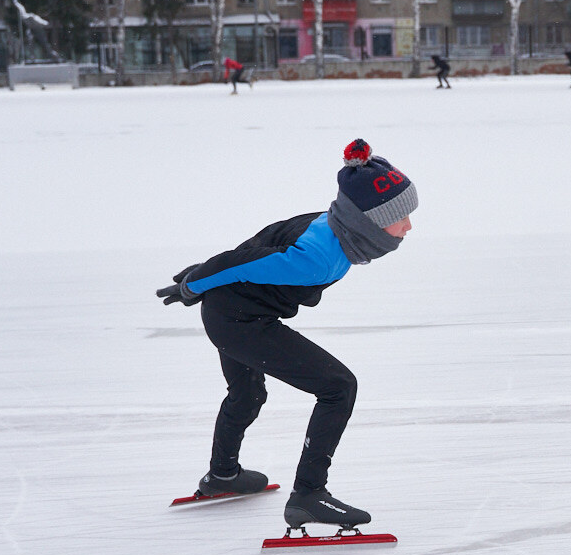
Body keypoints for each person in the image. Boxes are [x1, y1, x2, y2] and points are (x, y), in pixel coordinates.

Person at [156, 139, 418, 530]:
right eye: (400, 217)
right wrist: (197, 281)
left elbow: (262, 243)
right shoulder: (319, 257)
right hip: (239, 322)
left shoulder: (331, 222)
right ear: (369, 222)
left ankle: (222, 476)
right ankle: (309, 495)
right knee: (338, 387)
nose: (409, 226)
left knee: (247, 394)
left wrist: (205, 278)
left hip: (231, 310)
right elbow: (248, 259)